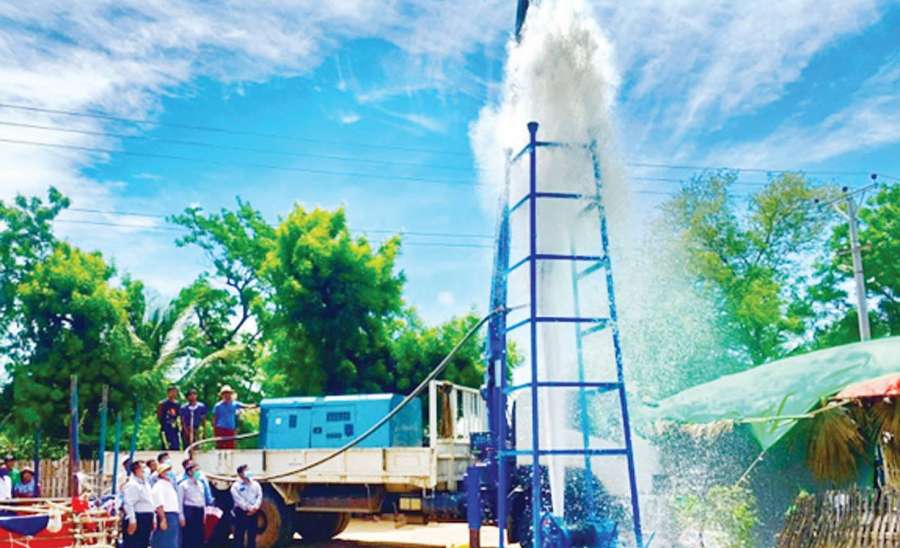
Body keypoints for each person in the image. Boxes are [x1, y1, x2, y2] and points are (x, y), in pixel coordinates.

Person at [123, 460, 155, 548]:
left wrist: (153, 518)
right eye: (143, 468)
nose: (146, 470)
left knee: (143, 543)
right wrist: (132, 521)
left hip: (147, 517)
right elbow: (129, 503)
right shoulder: (133, 484)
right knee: (134, 544)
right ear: (137, 470)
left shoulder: (146, 484)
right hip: (138, 517)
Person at [150, 463, 182, 548]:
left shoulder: (169, 485)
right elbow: (159, 504)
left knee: (172, 542)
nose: (168, 473)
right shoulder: (159, 486)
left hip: (173, 515)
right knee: (165, 542)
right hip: (167, 515)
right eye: (166, 471)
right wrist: (163, 519)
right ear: (161, 473)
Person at [230, 465, 262, 548]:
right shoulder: (235, 486)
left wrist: (255, 507)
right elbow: (238, 500)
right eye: (246, 470)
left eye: (248, 470)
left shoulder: (255, 484)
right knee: (239, 535)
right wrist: (248, 508)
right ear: (240, 474)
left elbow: (259, 496)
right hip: (241, 512)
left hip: (254, 513)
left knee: (252, 535)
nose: (248, 472)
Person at [178, 462, 206, 547]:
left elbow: (203, 500)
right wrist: (181, 516)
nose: (198, 472)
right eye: (196, 470)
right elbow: (180, 501)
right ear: (190, 472)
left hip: (200, 511)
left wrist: (204, 514)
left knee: (199, 535)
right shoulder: (183, 485)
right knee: (189, 535)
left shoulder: (201, 484)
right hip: (189, 511)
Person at [157, 386, 182, 450]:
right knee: (165, 445)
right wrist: (163, 424)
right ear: (168, 393)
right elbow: (159, 415)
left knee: (176, 445)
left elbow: (179, 416)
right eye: (172, 392)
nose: (174, 394)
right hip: (165, 426)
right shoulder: (162, 403)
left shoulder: (177, 404)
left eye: (175, 392)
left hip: (174, 426)